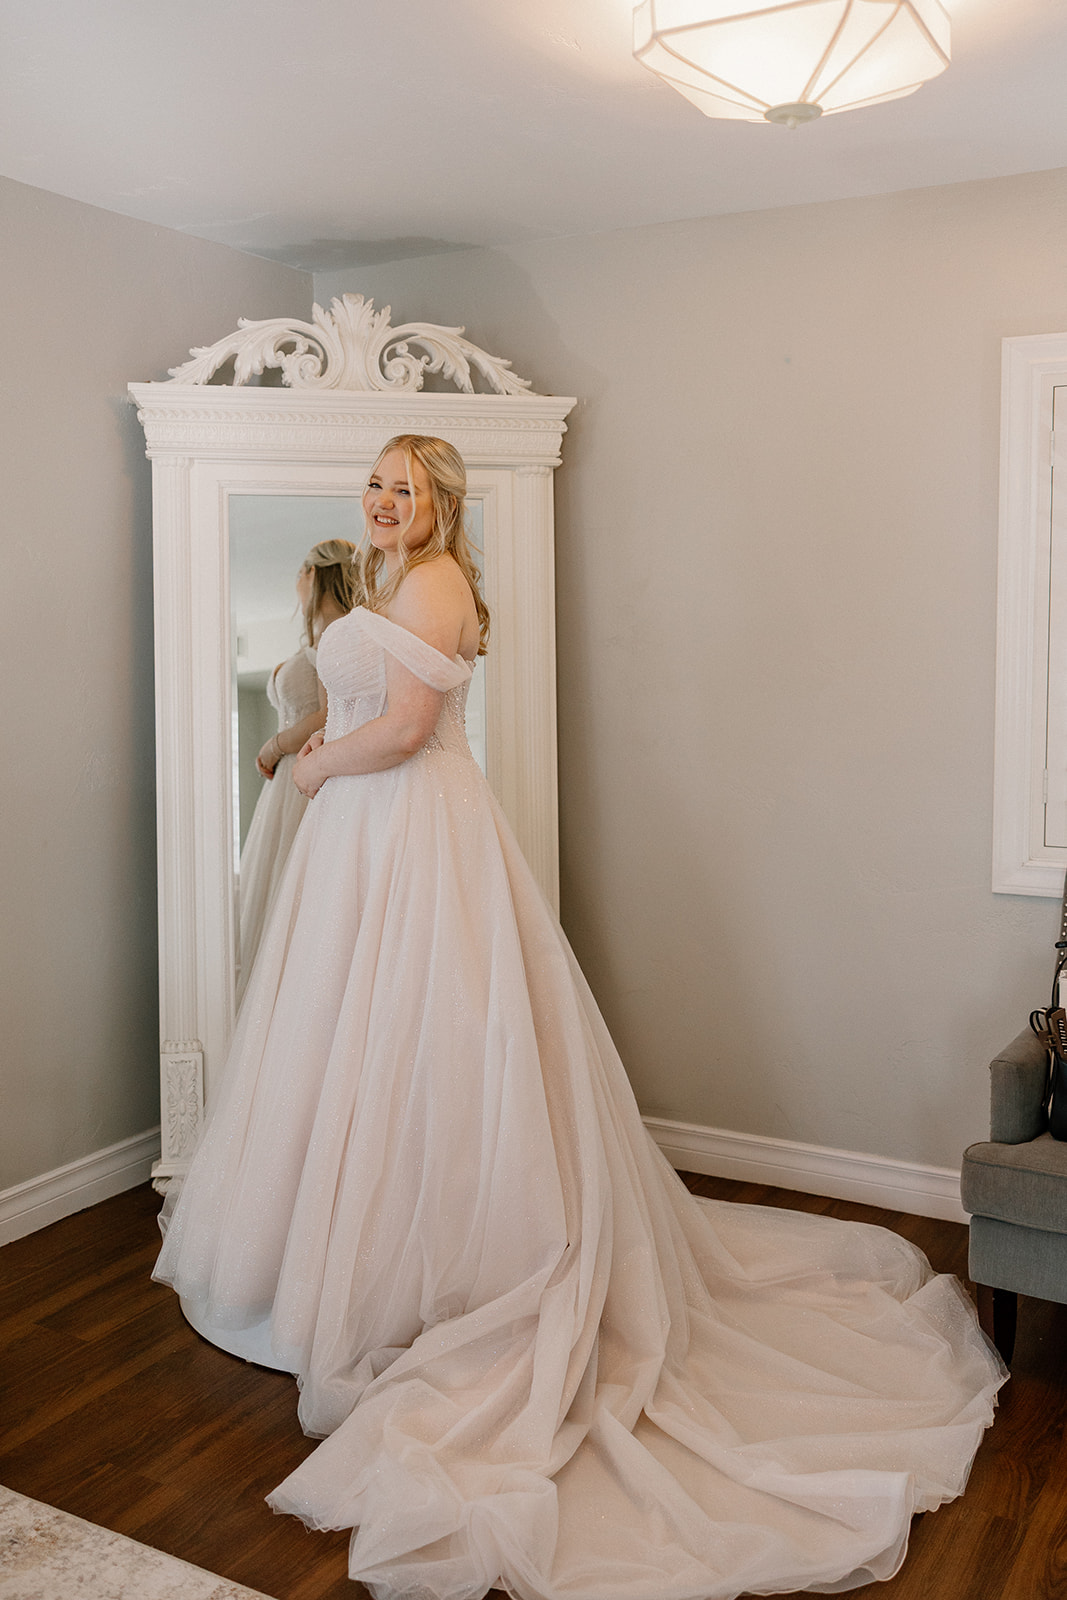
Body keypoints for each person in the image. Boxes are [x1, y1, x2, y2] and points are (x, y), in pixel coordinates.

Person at [155, 436, 1005, 1600]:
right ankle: (332, 1260)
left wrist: (311, 774)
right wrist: (306, 745)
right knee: (348, 1043)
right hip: (365, 835)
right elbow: (362, 702)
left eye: (406, 486)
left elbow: (402, 729)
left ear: (440, 503)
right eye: (376, 482)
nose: (386, 499)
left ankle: (434, 1271)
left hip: (407, 827)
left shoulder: (438, 577)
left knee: (430, 1041)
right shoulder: (385, 577)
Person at [236, 538, 360, 1001]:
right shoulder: (321, 634)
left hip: (305, 774)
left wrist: (272, 746)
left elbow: (331, 715)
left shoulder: (334, 631)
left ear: (314, 575)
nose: (295, 584)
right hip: (287, 785)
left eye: (300, 574)